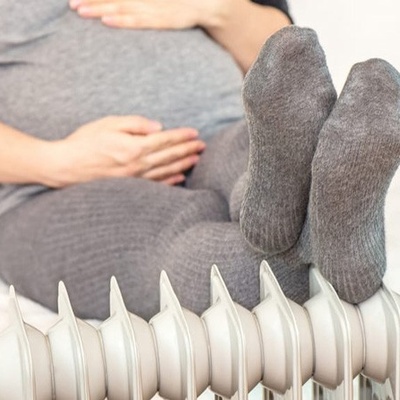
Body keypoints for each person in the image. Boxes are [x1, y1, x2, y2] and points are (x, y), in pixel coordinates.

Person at [0, 1, 398, 321]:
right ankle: (348, 251)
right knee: (175, 246)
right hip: (48, 189)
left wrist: (214, 7)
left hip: (223, 132)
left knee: (259, 165)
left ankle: (304, 212)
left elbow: (283, 56)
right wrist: (57, 161)